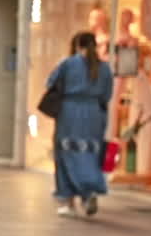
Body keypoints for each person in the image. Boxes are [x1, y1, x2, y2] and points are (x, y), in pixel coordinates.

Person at [47, 31, 114, 218]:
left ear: (77, 46)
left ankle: (67, 201)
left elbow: (51, 83)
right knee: (90, 154)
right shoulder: (105, 68)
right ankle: (88, 192)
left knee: (66, 154)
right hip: (93, 114)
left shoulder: (68, 64)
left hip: (69, 112)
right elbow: (106, 95)